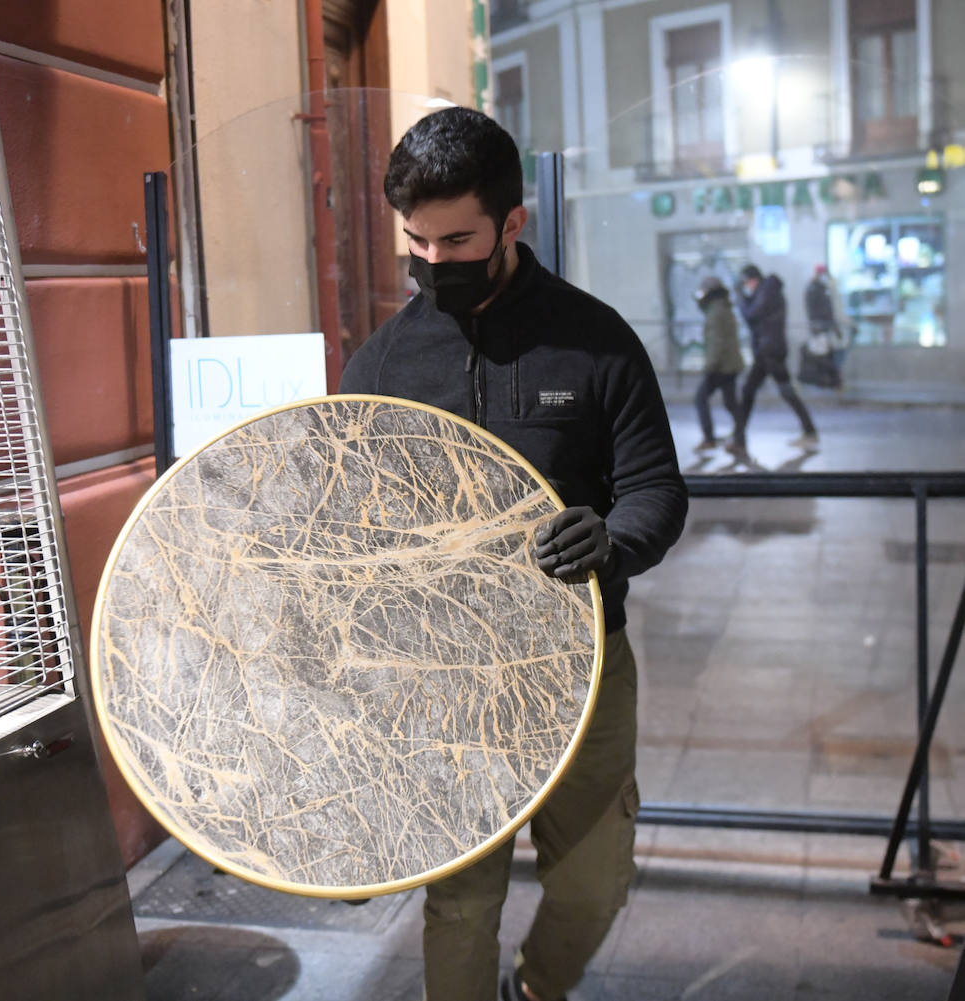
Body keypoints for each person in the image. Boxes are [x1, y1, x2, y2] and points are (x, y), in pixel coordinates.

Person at [339, 106, 688, 1001]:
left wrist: (613, 537)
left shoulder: (596, 339)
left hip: (582, 662)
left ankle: (537, 990)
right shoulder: (379, 364)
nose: (433, 263)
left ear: (513, 224)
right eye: (415, 242)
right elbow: (348, 520)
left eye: (458, 240)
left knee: (595, 875)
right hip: (444, 673)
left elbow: (657, 489)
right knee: (458, 895)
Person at [732, 264, 818, 452]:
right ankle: (738, 437)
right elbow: (753, 313)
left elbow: (751, 314)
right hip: (768, 350)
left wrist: (740, 298)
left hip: (769, 351)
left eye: (746, 283)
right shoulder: (766, 291)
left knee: (769, 391)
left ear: (754, 279)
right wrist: (745, 297)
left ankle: (738, 437)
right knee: (754, 391)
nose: (747, 286)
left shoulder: (768, 291)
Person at [692, 276, 744, 451]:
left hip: (720, 367)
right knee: (731, 403)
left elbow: (716, 343)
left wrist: (710, 366)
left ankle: (709, 439)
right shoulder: (725, 307)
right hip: (730, 365)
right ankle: (740, 440)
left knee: (700, 398)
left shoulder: (715, 313)